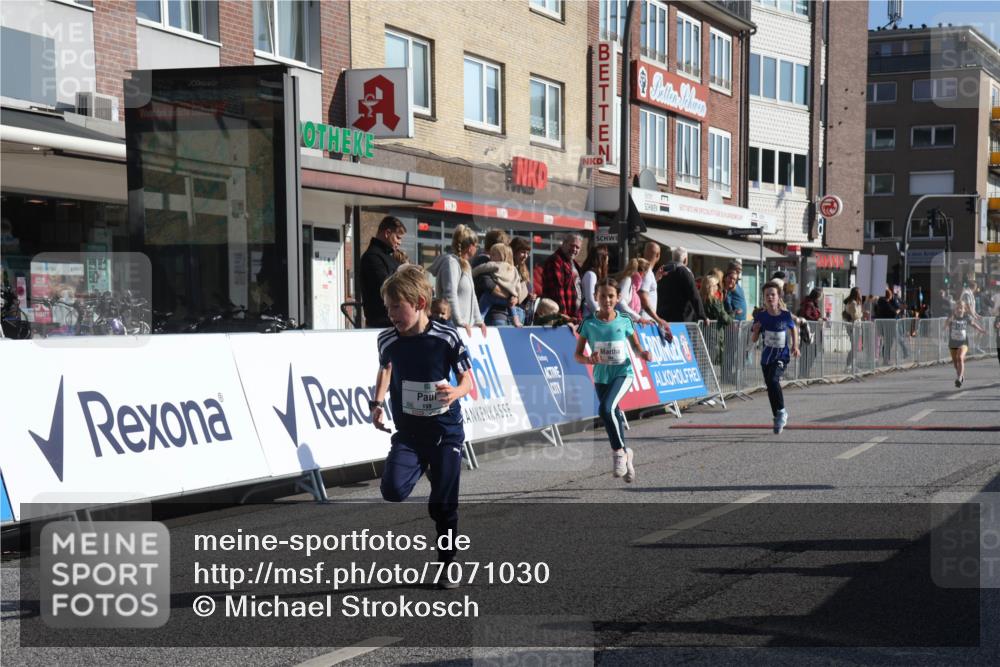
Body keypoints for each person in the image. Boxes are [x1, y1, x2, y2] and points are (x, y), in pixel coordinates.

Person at [371, 265, 473, 589]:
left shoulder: (446, 336)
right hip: (411, 434)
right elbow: (385, 369)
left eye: (396, 307)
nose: (391, 315)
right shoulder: (387, 338)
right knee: (392, 490)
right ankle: (428, 468)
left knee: (442, 505)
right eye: (387, 307)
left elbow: (468, 380)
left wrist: (455, 393)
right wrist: (377, 402)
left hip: (446, 432)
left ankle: (447, 564)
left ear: (418, 303)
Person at [574, 277, 652, 483]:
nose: (607, 300)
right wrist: (589, 359)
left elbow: (635, 346)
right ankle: (627, 454)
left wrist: (643, 354)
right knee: (614, 413)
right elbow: (577, 355)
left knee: (606, 409)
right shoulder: (588, 323)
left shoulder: (624, 320)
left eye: (611, 296)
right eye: (602, 296)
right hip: (601, 376)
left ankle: (619, 453)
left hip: (623, 373)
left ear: (618, 298)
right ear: (596, 297)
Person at [752, 281, 800, 434]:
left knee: (774, 380)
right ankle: (777, 416)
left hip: (781, 355)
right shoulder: (761, 316)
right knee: (770, 387)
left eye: (773, 294)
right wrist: (756, 330)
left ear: (779, 297)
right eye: (767, 295)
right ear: (764, 298)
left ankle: (781, 412)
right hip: (766, 358)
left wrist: (795, 346)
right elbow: (754, 339)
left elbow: (794, 330)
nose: (770, 297)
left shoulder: (785, 315)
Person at [429, 224, 487, 338]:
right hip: (453, 328)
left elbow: (472, 296)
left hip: (465, 328)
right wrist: (459, 322)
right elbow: (450, 295)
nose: (477, 249)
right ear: (470, 247)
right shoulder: (451, 263)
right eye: (477, 245)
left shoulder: (465, 265)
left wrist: (479, 321)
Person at [359, 215, 406, 327]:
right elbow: (386, 288)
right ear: (387, 233)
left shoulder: (387, 256)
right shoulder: (372, 257)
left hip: (390, 320)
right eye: (398, 237)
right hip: (382, 323)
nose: (400, 242)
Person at [472, 243, 526, 326]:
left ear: (502, 256)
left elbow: (480, 269)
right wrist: (516, 296)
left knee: (486, 297)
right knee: (512, 305)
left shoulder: (495, 264)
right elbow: (517, 284)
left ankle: (480, 318)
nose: (490, 257)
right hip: (509, 300)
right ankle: (516, 320)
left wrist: (471, 273)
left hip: (495, 296)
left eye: (493, 254)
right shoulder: (514, 269)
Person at [657, 247, 706, 324]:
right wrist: (702, 316)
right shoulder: (685, 272)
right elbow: (694, 295)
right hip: (681, 318)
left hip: (662, 316)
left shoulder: (662, 270)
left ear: (673, 257)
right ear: (685, 260)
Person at [541, 233, 584, 321]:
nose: (574, 249)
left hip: (573, 318)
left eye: (577, 247)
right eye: (572, 245)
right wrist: (563, 316)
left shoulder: (574, 264)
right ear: (564, 243)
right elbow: (557, 290)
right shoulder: (556, 261)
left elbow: (578, 291)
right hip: (560, 319)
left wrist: (578, 317)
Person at [945, 300, 985, 388]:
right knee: (955, 364)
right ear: (955, 309)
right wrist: (948, 321)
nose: (959, 310)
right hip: (952, 343)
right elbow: (945, 326)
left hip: (963, 342)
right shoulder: (952, 317)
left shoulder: (967, 317)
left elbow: (973, 324)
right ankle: (961, 376)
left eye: (961, 308)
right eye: (957, 308)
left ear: (964, 309)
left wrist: (981, 330)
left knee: (960, 358)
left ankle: (959, 378)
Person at [637, 241, 671, 339]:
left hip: (644, 321)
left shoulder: (647, 272)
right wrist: (658, 319)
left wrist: (656, 279)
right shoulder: (647, 272)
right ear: (658, 255)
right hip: (645, 322)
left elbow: (644, 289)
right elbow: (643, 297)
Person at [700, 274, 732, 366]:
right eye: (716, 285)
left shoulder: (700, 299)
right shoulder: (713, 301)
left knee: (704, 361)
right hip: (714, 334)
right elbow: (724, 317)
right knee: (710, 362)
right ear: (711, 287)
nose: (718, 287)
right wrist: (732, 316)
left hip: (703, 333)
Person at [510, 236, 538, 322]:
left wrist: (531, 297)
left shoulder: (523, 270)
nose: (525, 256)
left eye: (527, 253)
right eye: (522, 252)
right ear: (514, 252)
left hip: (521, 315)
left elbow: (527, 292)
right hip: (511, 315)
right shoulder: (508, 269)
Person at [616, 258, 653, 324]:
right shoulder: (627, 280)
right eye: (646, 273)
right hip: (619, 323)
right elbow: (621, 303)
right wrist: (639, 318)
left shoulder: (631, 282)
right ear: (642, 273)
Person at [797, 288, 824, 378]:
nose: (821, 298)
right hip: (809, 332)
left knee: (812, 353)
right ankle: (803, 373)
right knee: (808, 353)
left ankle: (805, 372)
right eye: (820, 296)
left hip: (813, 332)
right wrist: (817, 320)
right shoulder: (809, 304)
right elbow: (806, 315)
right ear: (817, 296)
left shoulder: (813, 304)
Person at [580, 244, 610, 320]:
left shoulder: (593, 275)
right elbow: (590, 300)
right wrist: (602, 316)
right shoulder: (591, 275)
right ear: (601, 258)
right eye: (606, 256)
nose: (607, 260)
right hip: (589, 317)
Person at [842, 287, 864, 372]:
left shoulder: (856, 303)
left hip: (856, 326)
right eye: (860, 293)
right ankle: (849, 365)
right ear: (857, 294)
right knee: (854, 347)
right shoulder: (853, 303)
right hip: (852, 326)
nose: (861, 294)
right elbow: (854, 316)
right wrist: (862, 314)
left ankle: (852, 365)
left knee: (855, 347)